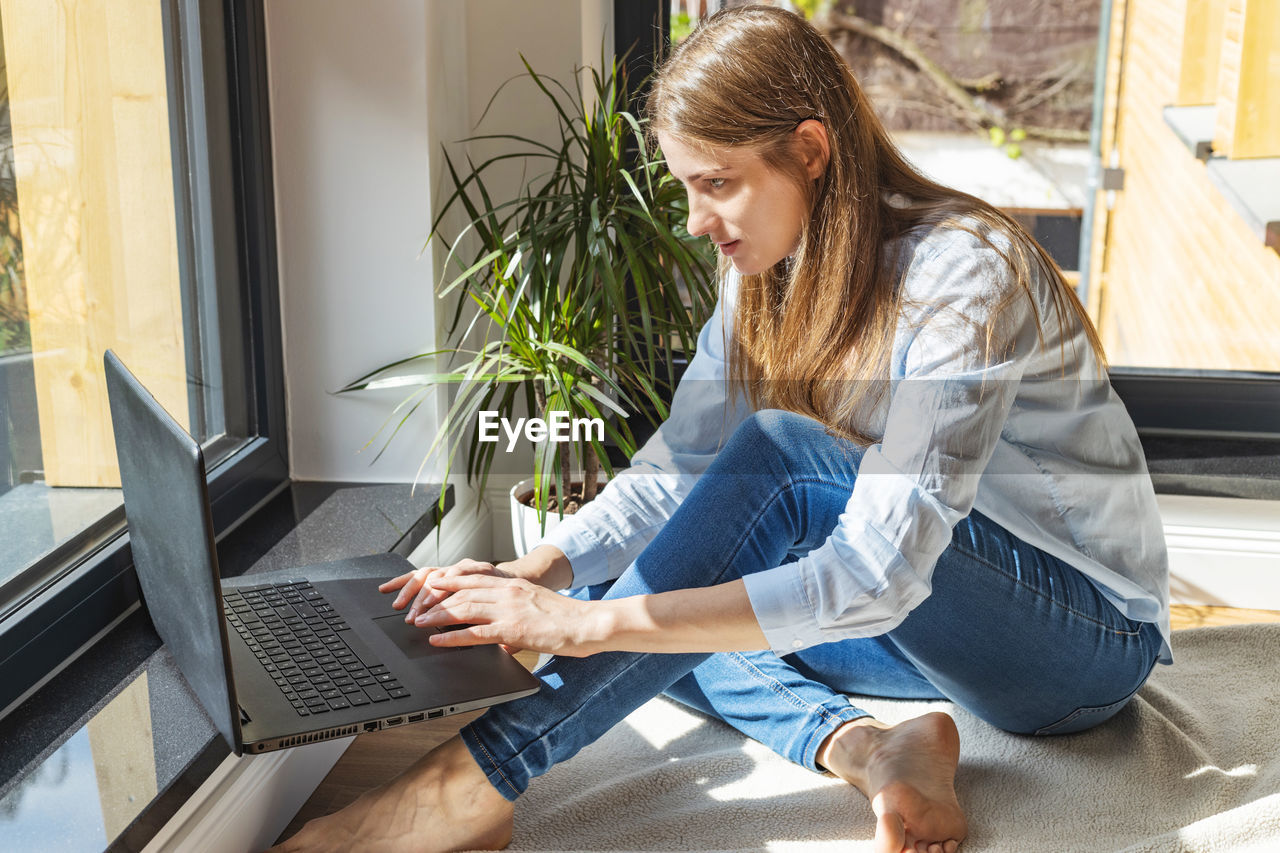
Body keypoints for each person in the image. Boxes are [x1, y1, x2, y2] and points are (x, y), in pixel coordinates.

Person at [271, 6, 1170, 853]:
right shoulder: (769, 269)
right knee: (659, 614)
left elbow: (878, 573)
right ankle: (864, 746)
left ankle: (467, 784)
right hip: (931, 629)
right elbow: (688, 459)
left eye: (717, 184)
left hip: (1079, 646)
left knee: (730, 516)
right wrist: (543, 572)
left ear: (810, 150)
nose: (700, 222)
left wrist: (582, 625)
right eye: (687, 187)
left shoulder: (963, 277)